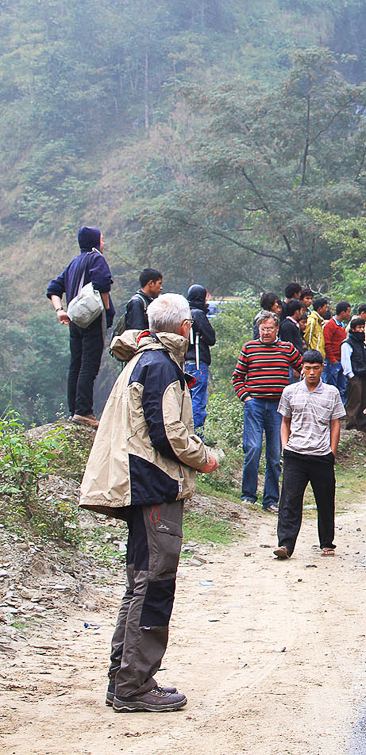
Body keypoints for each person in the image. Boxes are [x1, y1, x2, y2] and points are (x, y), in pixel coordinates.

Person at [80, 293, 218, 712]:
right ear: (183, 328)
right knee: (155, 583)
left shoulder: (142, 358)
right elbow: (168, 434)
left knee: (139, 582)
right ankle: (135, 684)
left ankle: (122, 677)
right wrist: (207, 457)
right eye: (190, 324)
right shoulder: (161, 366)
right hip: (153, 485)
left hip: (137, 484)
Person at [274, 350, 345, 560]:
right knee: (289, 500)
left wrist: (333, 451)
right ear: (301, 369)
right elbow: (285, 421)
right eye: (307, 368)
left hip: (322, 454)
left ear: (322, 368)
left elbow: (335, 423)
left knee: (325, 500)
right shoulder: (290, 391)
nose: (311, 372)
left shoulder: (332, 393)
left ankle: (327, 542)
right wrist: (285, 447)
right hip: (295, 454)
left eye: (316, 368)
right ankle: (285, 545)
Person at [231, 312, 302, 513]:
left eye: (270, 328)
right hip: (255, 405)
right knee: (252, 449)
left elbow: (304, 368)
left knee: (274, 454)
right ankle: (248, 495)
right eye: (263, 329)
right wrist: (246, 397)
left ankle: (271, 499)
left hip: (278, 407)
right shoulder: (249, 348)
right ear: (258, 329)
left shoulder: (287, 348)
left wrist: (296, 395)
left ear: (277, 329)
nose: (266, 332)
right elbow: (237, 377)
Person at [47, 226, 114, 427]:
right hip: (92, 319)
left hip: (75, 321)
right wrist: (106, 309)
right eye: (102, 239)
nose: (103, 243)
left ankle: (74, 410)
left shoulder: (73, 263)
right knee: (89, 365)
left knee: (75, 364)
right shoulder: (96, 258)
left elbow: (53, 289)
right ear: (95, 241)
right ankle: (84, 411)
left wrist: (60, 310)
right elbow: (103, 283)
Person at [183, 284, 217, 441]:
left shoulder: (183, 313)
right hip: (197, 361)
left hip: (184, 362)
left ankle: (186, 432)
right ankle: (198, 435)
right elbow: (211, 338)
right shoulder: (198, 314)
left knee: (187, 399)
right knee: (198, 399)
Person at [342, 317, 366, 432]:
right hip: (355, 376)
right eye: (359, 327)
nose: (361, 330)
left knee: (365, 400)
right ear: (353, 329)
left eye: (363, 327)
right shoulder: (347, 343)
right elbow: (345, 361)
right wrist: (351, 376)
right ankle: (351, 425)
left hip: (365, 375)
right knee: (354, 401)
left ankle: (362, 424)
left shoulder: (362, 343)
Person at [322, 301, 350, 392]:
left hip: (341, 360)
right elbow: (327, 342)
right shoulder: (331, 325)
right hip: (333, 361)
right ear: (343, 312)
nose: (349, 314)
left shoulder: (342, 326)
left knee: (342, 387)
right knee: (332, 386)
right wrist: (332, 358)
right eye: (348, 312)